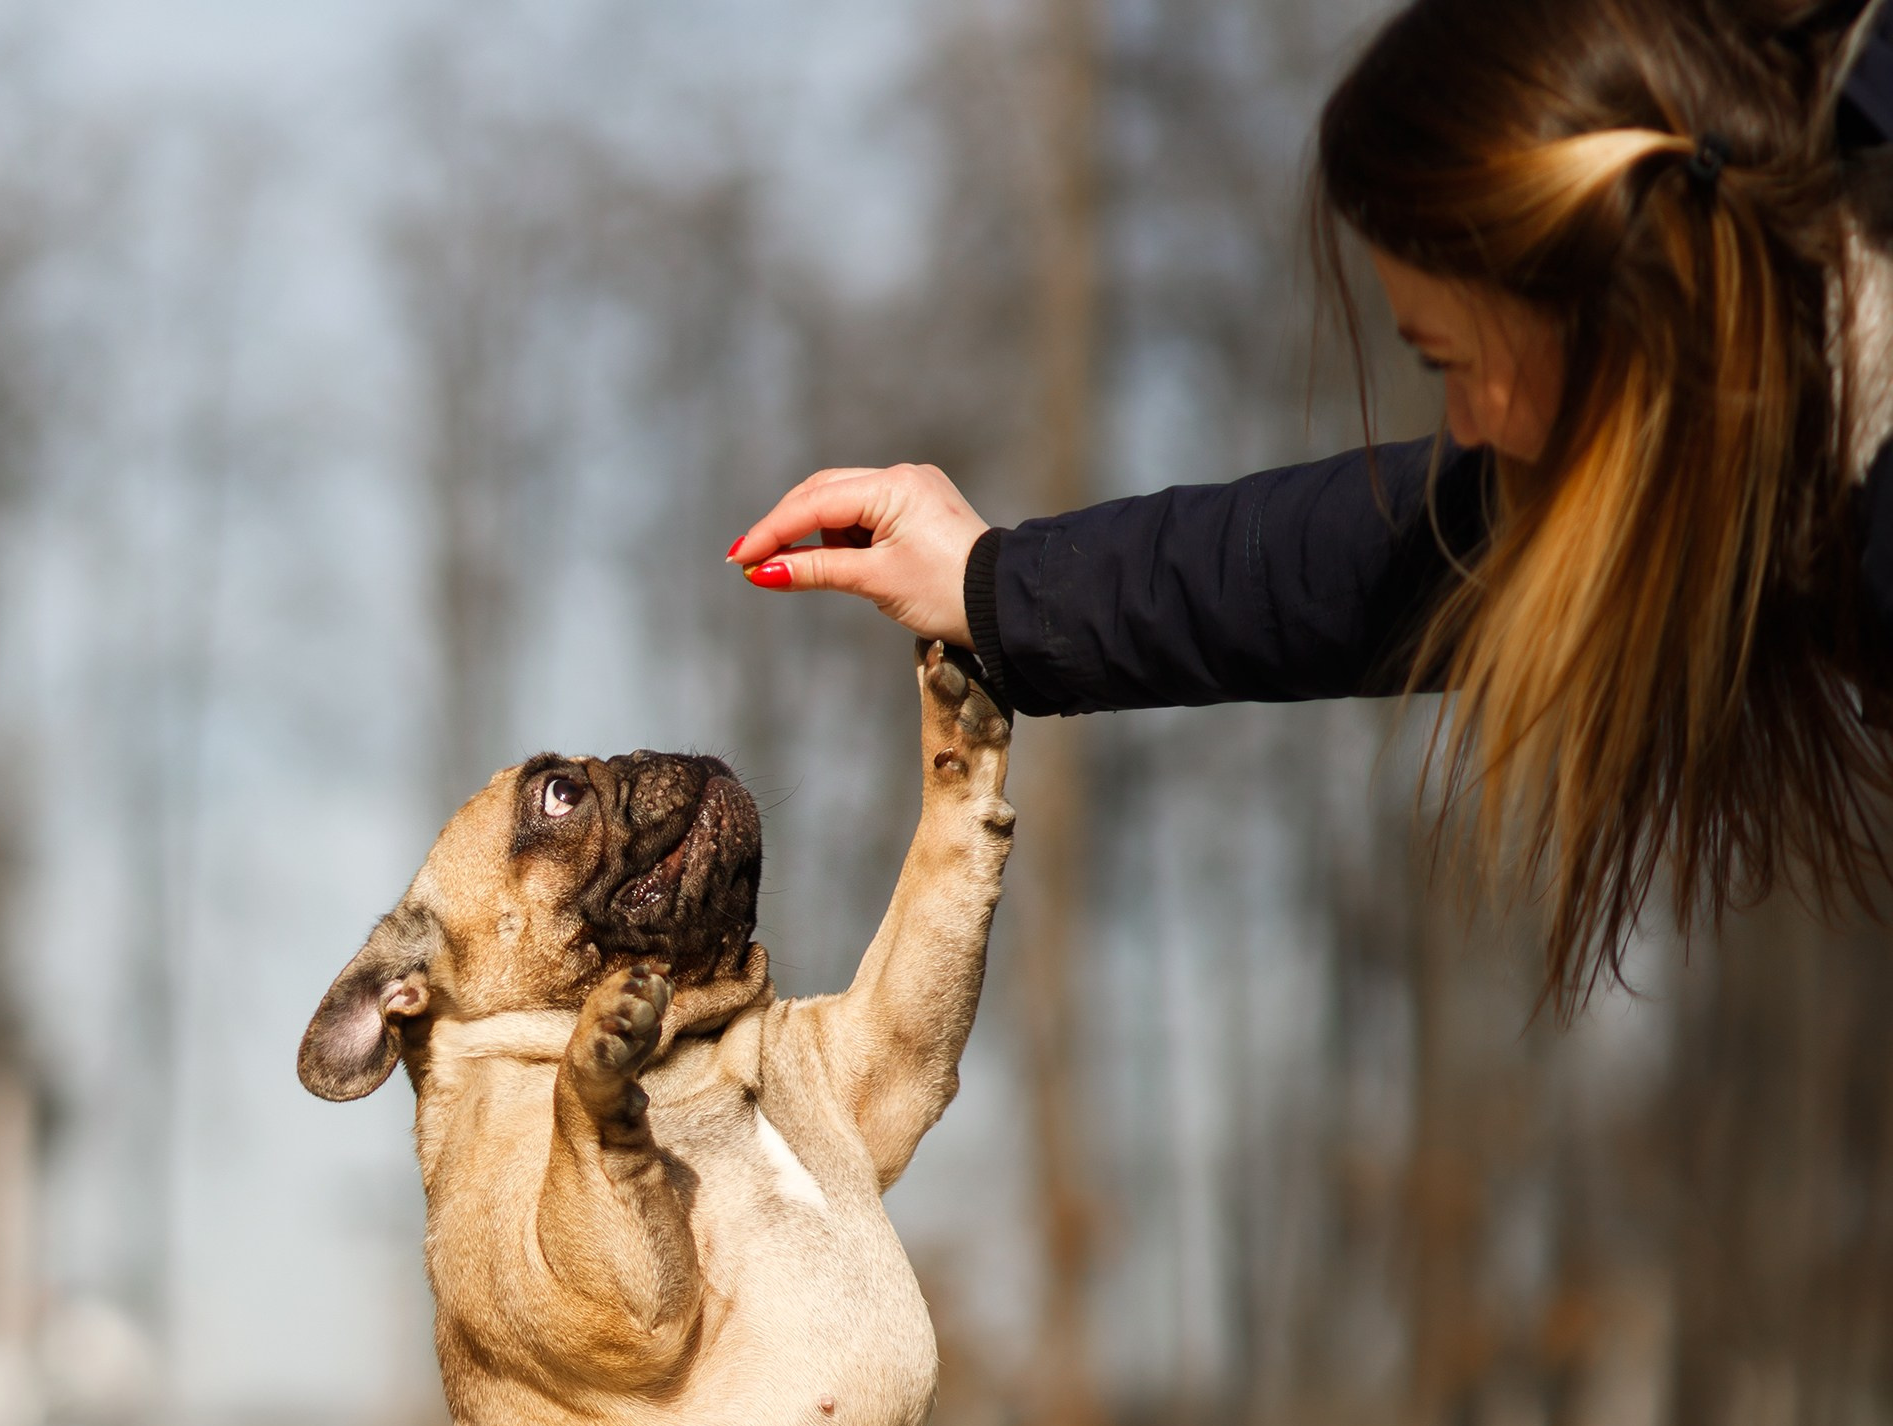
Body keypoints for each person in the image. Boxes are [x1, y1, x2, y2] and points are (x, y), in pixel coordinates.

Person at [729, 0, 1893, 998]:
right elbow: (1360, 561)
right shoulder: (1737, 395)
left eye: (1449, 362)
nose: (1470, 429)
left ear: (1603, 300)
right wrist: (993, 583)